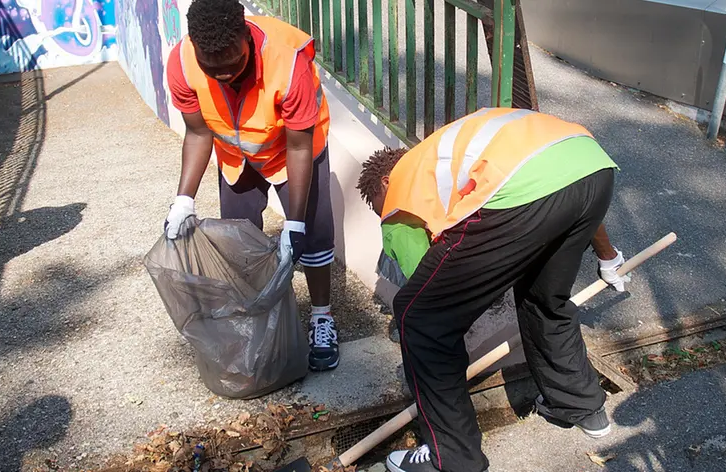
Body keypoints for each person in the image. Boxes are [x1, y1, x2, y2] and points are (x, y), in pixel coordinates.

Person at [356, 108, 630, 472]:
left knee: (419, 318)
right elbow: (568, 183)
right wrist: (607, 256)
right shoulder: (442, 159)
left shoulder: (401, 189)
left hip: (522, 189)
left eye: (378, 207)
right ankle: (582, 407)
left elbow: (425, 287)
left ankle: (452, 459)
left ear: (386, 183)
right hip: (591, 166)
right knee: (544, 297)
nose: (386, 217)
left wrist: (427, 326)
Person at [162, 0, 339, 371]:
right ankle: (261, 318)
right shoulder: (182, 63)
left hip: (295, 149)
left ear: (246, 38)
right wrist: (183, 199)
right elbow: (197, 133)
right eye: (213, 69)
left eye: (233, 64)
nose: (224, 75)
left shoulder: (287, 62)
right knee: (239, 241)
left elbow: (299, 144)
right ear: (195, 46)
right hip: (235, 153)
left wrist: (294, 222)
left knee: (314, 236)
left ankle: (322, 317)